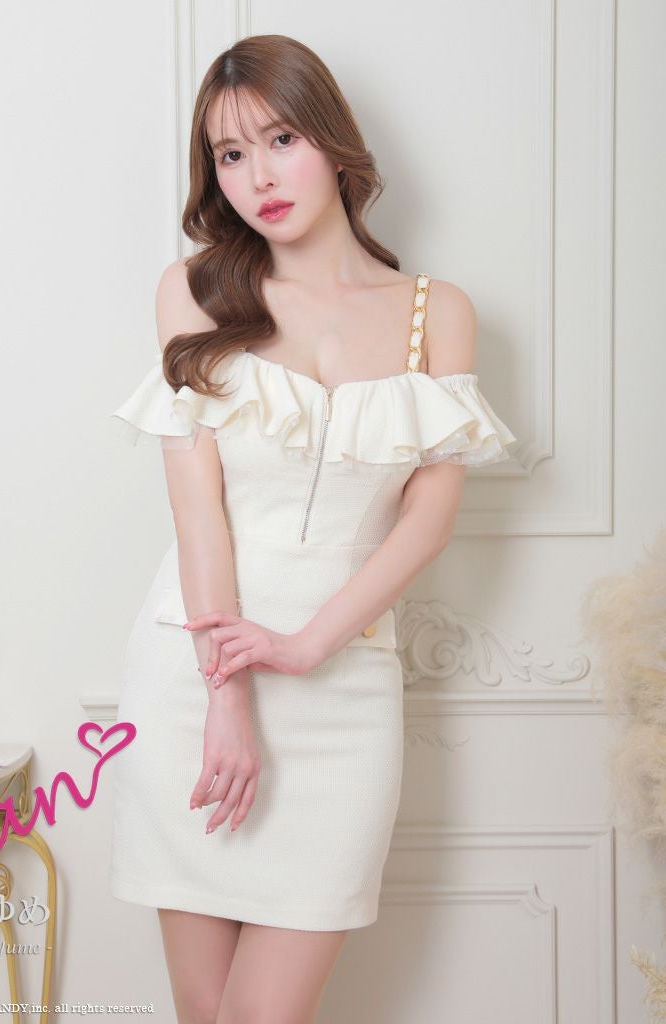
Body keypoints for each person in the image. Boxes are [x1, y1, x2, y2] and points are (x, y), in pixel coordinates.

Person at [109, 33, 517, 1024]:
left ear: (333, 140)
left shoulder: (437, 313)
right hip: (197, 684)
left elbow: (428, 520)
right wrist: (230, 696)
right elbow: (196, 511)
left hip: (343, 688)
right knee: (207, 1013)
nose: (257, 176)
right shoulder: (193, 292)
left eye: (280, 139)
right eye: (230, 154)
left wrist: (304, 646)